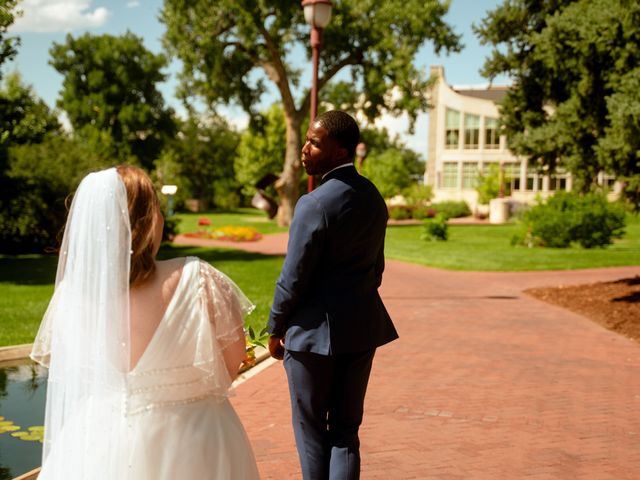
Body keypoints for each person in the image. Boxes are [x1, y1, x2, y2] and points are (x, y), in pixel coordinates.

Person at [31, 166, 259, 479]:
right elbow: (231, 364)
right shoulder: (198, 278)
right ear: (146, 220)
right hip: (196, 442)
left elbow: (69, 366)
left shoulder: (71, 295)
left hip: (96, 441)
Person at [267, 110, 399, 480]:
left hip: (311, 339)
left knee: (311, 434)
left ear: (340, 151)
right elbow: (377, 270)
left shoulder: (314, 204)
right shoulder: (373, 198)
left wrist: (275, 327)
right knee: (345, 433)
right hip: (361, 329)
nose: (304, 150)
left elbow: (293, 279)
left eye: (315, 143)